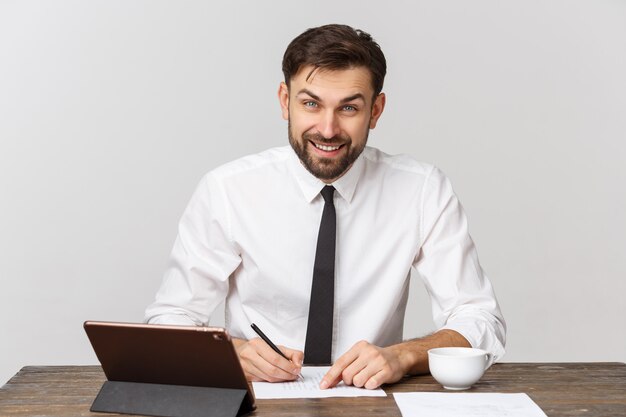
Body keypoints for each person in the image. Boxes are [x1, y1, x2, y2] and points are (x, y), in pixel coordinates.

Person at [145, 23, 506, 390]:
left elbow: (479, 318)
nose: (328, 129)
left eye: (348, 107)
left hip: (372, 400)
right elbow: (169, 319)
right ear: (286, 102)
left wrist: (403, 356)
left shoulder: (422, 190)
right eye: (311, 104)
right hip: (255, 400)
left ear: (376, 111)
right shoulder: (227, 190)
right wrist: (231, 353)